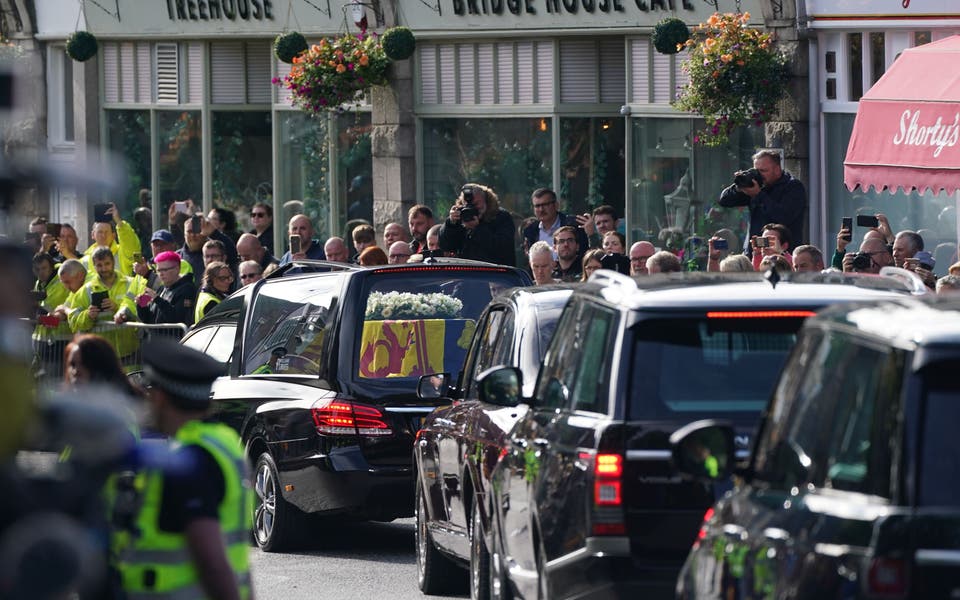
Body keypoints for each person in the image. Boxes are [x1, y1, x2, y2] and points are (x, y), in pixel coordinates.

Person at [116, 337, 252, 600]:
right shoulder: (222, 442)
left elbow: (213, 563)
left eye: (149, 390)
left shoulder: (188, 461)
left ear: (161, 397)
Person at [718, 149, 807, 254]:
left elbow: (783, 216)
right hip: (755, 252)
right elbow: (724, 200)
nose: (759, 175)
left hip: (782, 255)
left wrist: (759, 195)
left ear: (777, 170)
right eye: (756, 170)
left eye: (763, 171)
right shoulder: (756, 186)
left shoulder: (793, 187)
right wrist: (740, 185)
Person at [67, 247, 139, 361]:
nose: (104, 268)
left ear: (113, 263)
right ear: (94, 266)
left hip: (128, 352)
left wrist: (117, 307)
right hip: (99, 355)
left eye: (107, 263)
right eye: (99, 265)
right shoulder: (86, 290)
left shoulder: (130, 284)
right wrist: (87, 315)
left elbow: (142, 310)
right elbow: (72, 321)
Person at [439, 183, 517, 266]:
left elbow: (502, 248)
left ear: (486, 201)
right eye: (467, 204)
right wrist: (451, 224)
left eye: (476, 204)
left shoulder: (501, 217)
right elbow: (446, 246)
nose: (472, 208)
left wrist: (477, 229)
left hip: (495, 273)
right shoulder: (461, 216)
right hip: (467, 273)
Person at [82, 203, 142, 281]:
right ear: (93, 235)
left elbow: (133, 246)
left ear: (113, 235)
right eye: (100, 232)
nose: (103, 236)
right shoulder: (85, 260)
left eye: (107, 232)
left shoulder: (122, 252)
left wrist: (119, 222)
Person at [522, 188, 588, 258]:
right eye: (537, 206)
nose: (541, 209)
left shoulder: (574, 225)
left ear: (556, 205)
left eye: (545, 204)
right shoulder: (530, 231)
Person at [136, 251, 197, 327]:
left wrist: (157, 299)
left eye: (165, 270)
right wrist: (141, 305)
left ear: (177, 269)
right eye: (158, 270)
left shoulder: (187, 289)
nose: (161, 274)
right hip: (156, 337)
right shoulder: (161, 289)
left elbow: (177, 319)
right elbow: (148, 320)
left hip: (176, 338)